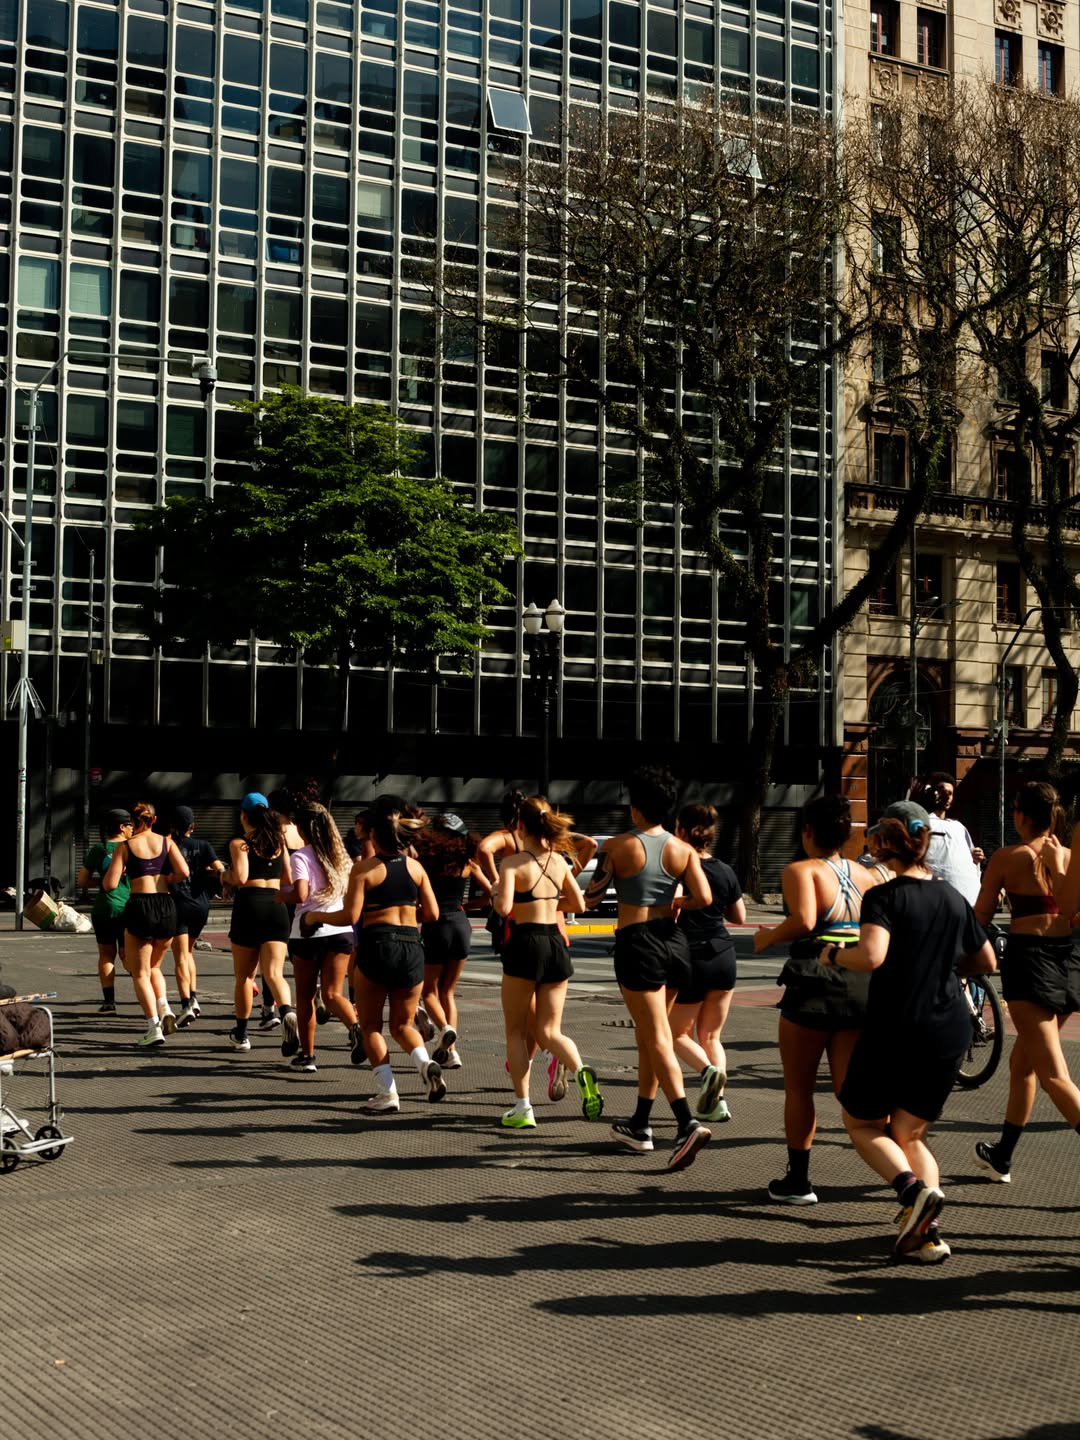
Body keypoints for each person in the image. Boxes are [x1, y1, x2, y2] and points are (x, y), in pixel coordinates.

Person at [826, 800, 996, 1263]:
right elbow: (987, 962)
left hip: (895, 1028)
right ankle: (927, 1233)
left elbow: (871, 956)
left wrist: (834, 956)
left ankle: (910, 1192)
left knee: (861, 1122)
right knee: (911, 1133)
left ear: (884, 841)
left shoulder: (885, 897)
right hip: (948, 1030)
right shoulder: (952, 897)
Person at [753, 794, 885, 1204]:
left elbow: (806, 921)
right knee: (851, 1092)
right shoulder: (869, 876)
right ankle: (899, 1167)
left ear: (807, 831)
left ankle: (799, 1180)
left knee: (799, 1088)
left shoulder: (801, 870)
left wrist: (767, 937)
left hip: (814, 984)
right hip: (861, 983)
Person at [585, 766, 713, 1172]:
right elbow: (704, 897)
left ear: (636, 807)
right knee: (649, 1037)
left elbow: (589, 900)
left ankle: (684, 1122)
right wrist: (678, 903)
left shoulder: (618, 847)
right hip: (674, 943)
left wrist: (581, 862)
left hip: (637, 941)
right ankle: (640, 1123)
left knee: (656, 1036)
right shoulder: (682, 849)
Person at [305, 796, 445, 1111]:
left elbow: (348, 916)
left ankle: (388, 1094)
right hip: (411, 946)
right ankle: (424, 1064)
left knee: (370, 1026)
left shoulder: (365, 870)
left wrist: (315, 917)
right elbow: (433, 913)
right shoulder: (416, 868)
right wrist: (408, 916)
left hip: (377, 946)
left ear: (374, 835)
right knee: (403, 1025)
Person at [975, 780, 1080, 1182]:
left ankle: (1003, 1153)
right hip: (1068, 963)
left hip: (1030, 962)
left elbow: (981, 916)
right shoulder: (1069, 856)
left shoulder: (1008, 857)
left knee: (1054, 1075)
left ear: (1021, 814)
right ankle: (1002, 1154)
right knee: (1024, 1063)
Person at [492, 796, 603, 1129]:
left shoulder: (512, 864)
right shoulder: (559, 862)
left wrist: (499, 891)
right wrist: (551, 898)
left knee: (515, 1030)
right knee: (550, 1030)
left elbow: (502, 908)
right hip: (555, 942)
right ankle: (581, 1070)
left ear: (519, 826)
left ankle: (523, 1107)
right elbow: (580, 905)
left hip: (524, 943)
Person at [669, 803, 745, 1123]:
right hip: (723, 955)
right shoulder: (725, 870)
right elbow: (739, 916)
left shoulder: (680, 869)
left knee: (674, 1034)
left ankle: (708, 1072)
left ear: (682, 832)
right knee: (711, 1036)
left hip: (693, 956)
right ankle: (718, 1103)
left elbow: (670, 914)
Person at [103, 802, 189, 1047]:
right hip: (166, 905)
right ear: (154, 819)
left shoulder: (125, 846)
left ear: (133, 821)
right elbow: (184, 872)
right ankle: (164, 1007)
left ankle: (153, 1027)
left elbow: (109, 885)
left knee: (139, 972)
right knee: (155, 967)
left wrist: (121, 875)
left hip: (140, 905)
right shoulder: (167, 842)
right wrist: (167, 879)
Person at [281, 803, 358, 1072]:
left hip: (307, 933)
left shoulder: (300, 857)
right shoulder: (342, 857)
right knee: (334, 993)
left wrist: (281, 895)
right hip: (340, 930)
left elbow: (301, 894)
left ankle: (308, 1055)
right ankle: (356, 1028)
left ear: (301, 829)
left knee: (305, 996)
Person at [414, 813, 492, 1069]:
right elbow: (490, 893)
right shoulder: (467, 861)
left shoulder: (426, 861)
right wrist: (465, 906)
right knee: (448, 991)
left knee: (429, 991)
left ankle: (446, 1028)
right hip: (461, 924)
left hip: (436, 926)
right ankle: (452, 1052)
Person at [225, 793, 296, 1054]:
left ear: (243, 815)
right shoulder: (279, 842)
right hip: (277, 906)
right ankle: (287, 1011)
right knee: (274, 973)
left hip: (250, 905)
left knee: (245, 975)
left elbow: (241, 877)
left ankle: (241, 1034)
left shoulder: (240, 844)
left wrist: (225, 875)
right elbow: (288, 876)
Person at [168, 806, 225, 1028]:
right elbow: (220, 869)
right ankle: (193, 997)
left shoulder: (169, 845)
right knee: (189, 951)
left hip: (178, 903)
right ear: (192, 826)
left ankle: (186, 1003)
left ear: (173, 826)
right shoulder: (203, 846)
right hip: (201, 904)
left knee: (180, 955)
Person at [77, 808, 133, 1013]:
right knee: (132, 957)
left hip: (104, 908)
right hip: (130, 908)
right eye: (130, 826)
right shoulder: (134, 848)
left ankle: (109, 1002)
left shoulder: (99, 849)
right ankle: (148, 995)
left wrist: (105, 882)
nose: (132, 831)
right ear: (121, 827)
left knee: (106, 955)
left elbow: (82, 880)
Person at [918, 772, 983, 906]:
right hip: (934, 902)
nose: (947, 796)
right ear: (931, 793)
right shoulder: (921, 824)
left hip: (967, 903)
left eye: (950, 793)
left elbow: (970, 860)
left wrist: (975, 858)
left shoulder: (959, 827)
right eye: (942, 791)